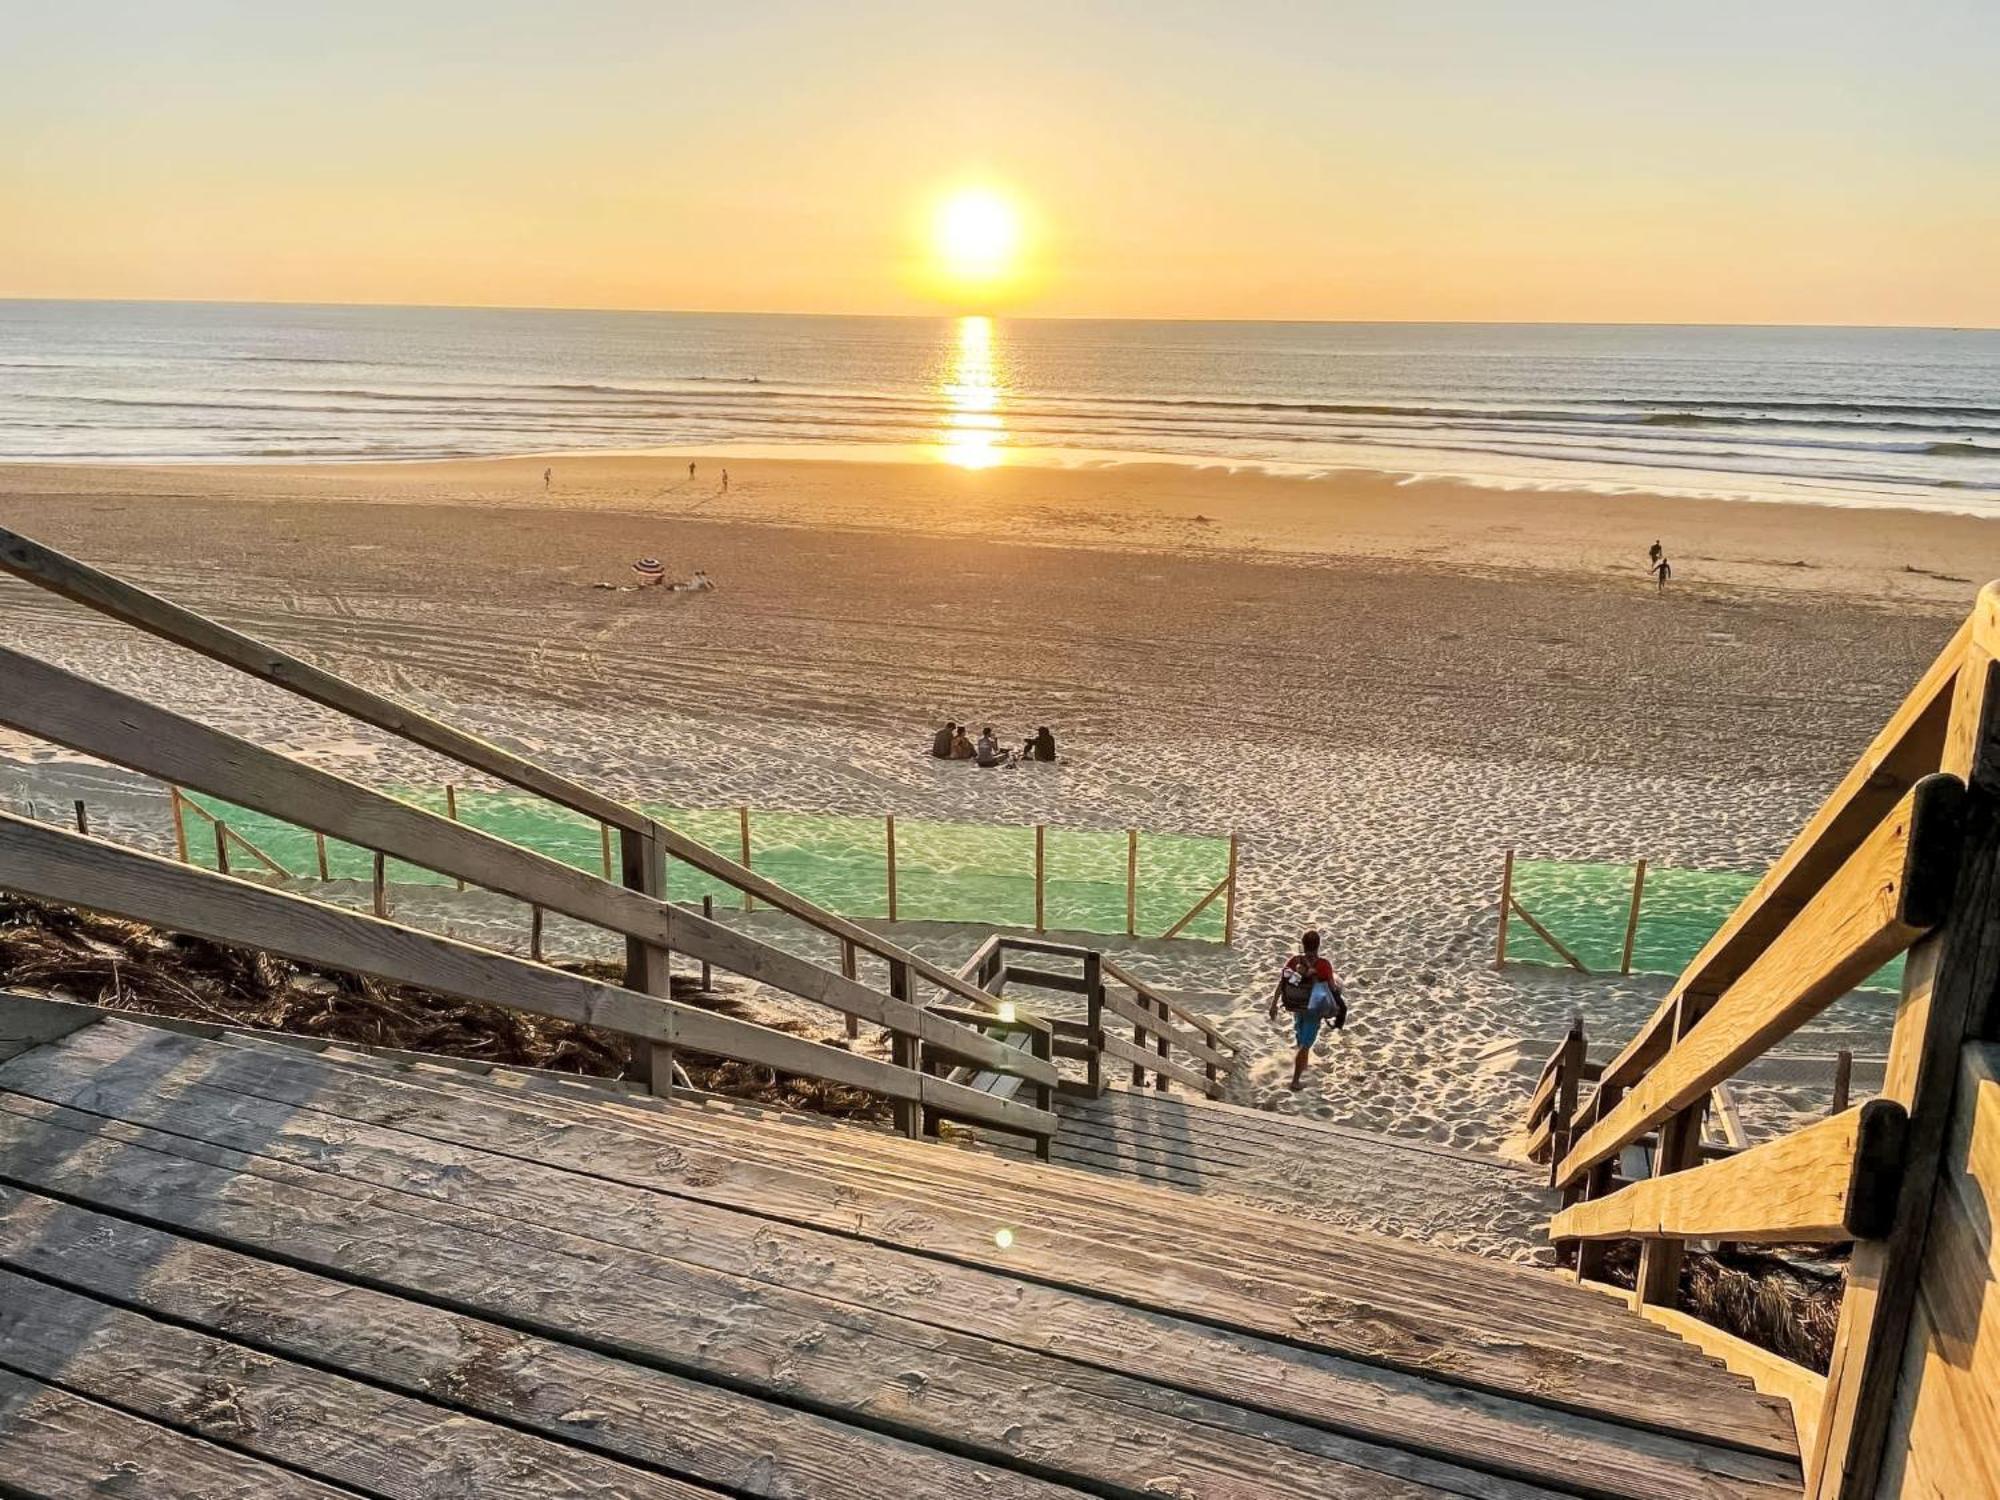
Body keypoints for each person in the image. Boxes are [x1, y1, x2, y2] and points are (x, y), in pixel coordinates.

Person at [1267, 928, 1344, 1090]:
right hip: (1312, 1010)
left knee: (1302, 1039)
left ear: (1303, 945)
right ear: (1318, 945)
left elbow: (1282, 983)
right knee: (1306, 1044)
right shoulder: (1323, 964)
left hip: (1296, 1006)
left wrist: (1273, 1004)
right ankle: (1295, 1081)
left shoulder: (1294, 961)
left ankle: (1304, 1064)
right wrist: (1337, 997)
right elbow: (1331, 987)